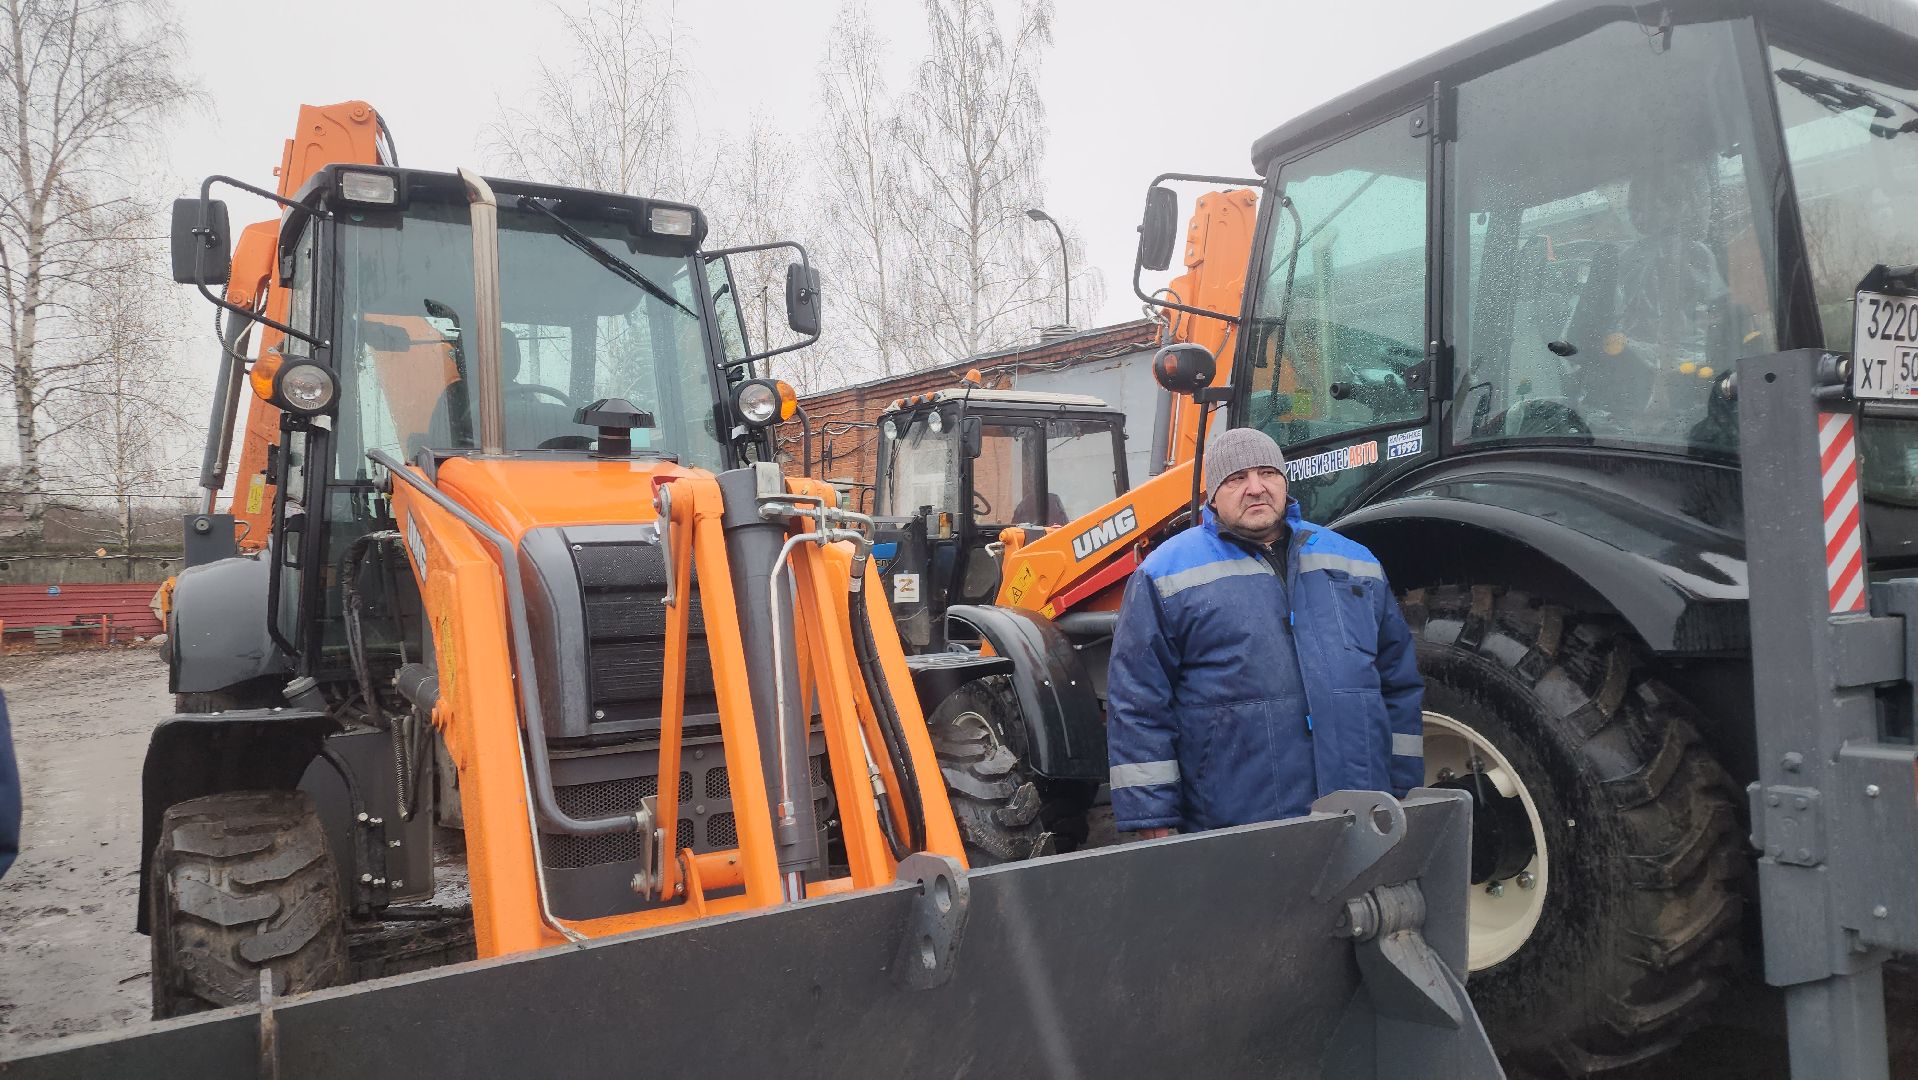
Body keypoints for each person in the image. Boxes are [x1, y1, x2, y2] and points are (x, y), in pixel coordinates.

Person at [1105, 428, 1424, 837]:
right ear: (1213, 495)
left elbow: (1398, 684)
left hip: (1359, 810)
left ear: (1284, 482)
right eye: (1236, 478)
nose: (1256, 488)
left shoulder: (1354, 562)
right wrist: (1153, 816)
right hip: (1236, 824)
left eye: (1268, 473)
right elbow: (1138, 702)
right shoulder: (1165, 574)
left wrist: (1404, 789)